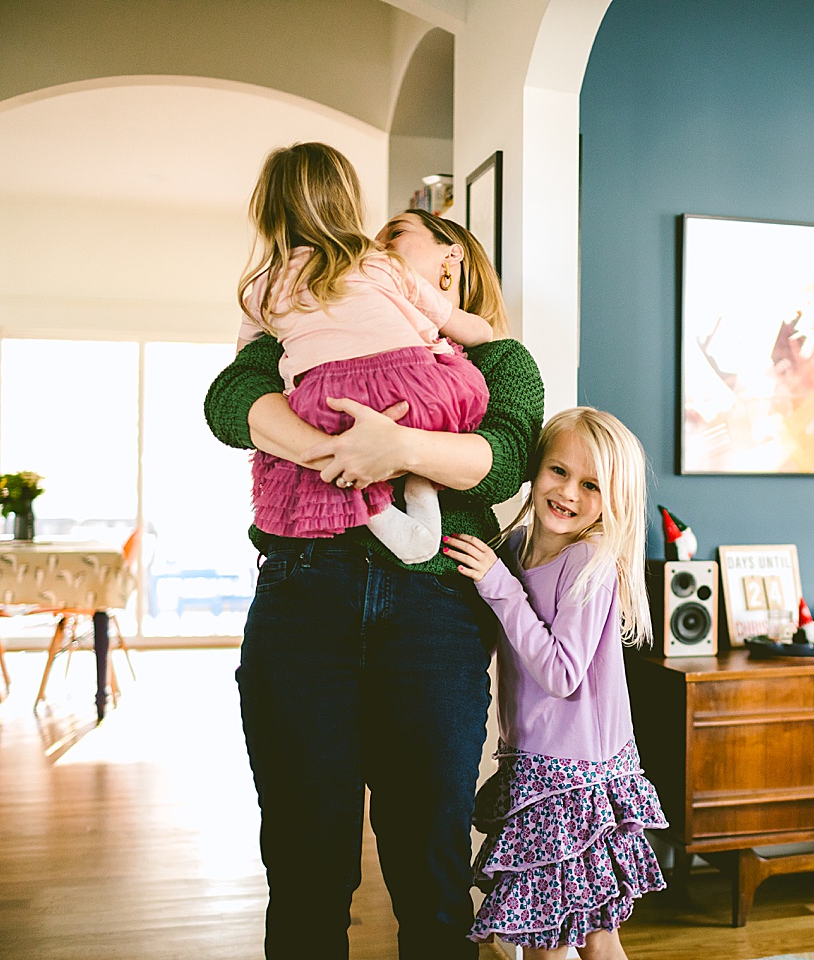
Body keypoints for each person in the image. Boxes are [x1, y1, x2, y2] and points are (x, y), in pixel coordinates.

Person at [204, 203, 544, 959]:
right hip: (303, 596)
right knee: (305, 867)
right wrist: (342, 452)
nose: (366, 248)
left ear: (450, 260)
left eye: (392, 238)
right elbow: (230, 403)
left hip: (436, 615)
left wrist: (395, 447)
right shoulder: (304, 309)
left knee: (432, 874)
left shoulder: (500, 357)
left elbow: (507, 456)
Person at [442, 407, 668, 959]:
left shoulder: (587, 560)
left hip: (573, 777)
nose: (568, 492)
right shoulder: (514, 548)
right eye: (558, 471)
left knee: (579, 937)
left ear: (612, 498)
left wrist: (500, 588)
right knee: (557, 935)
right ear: (535, 468)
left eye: (591, 485)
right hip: (534, 759)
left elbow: (562, 674)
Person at [238, 142, 494, 564]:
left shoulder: (262, 289)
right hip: (422, 393)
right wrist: (482, 335)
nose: (382, 240)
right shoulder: (383, 265)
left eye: (395, 233)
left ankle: (375, 509)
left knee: (316, 438)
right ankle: (421, 484)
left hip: (334, 405)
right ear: (349, 204)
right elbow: (462, 324)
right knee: (455, 389)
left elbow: (243, 366)